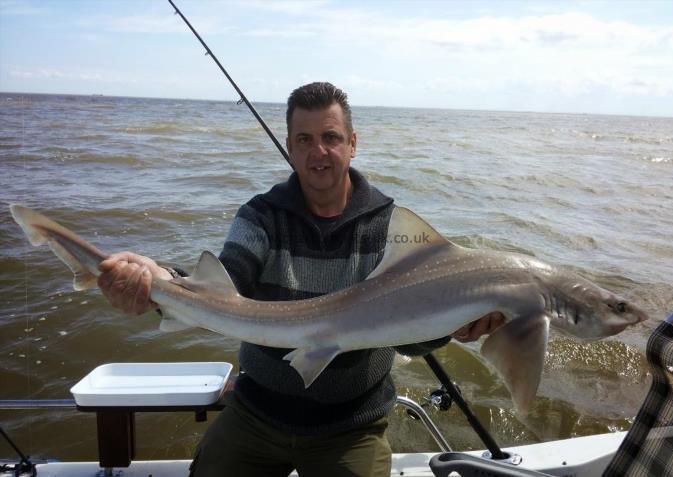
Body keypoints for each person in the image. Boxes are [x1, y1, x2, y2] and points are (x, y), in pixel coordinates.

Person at [97, 82, 505, 477]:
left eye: (330, 137)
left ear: (353, 143)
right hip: (257, 413)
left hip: (351, 424)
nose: (319, 152)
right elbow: (225, 290)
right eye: (304, 139)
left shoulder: (391, 228)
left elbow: (408, 337)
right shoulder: (261, 215)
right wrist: (159, 285)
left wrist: (452, 325)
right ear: (290, 147)